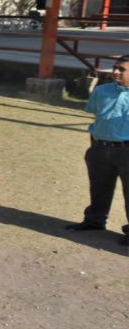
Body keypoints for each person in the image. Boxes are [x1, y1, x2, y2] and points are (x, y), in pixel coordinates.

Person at [65, 55, 129, 247]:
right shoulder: (101, 91)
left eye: (122, 69)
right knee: (99, 187)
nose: (116, 72)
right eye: (115, 68)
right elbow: (96, 116)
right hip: (99, 148)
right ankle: (94, 221)